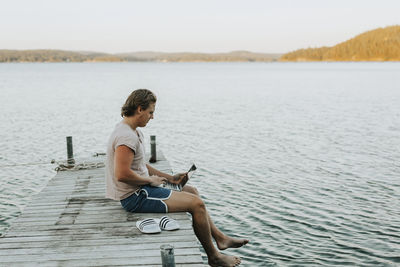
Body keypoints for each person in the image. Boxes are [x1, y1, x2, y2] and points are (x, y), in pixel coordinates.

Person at [105, 89, 249, 267]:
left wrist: (170, 178)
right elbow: (122, 174)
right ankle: (214, 256)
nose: (152, 117)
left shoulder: (131, 131)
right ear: (140, 109)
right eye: (151, 112)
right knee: (196, 204)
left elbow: (139, 165)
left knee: (192, 191)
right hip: (135, 197)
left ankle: (220, 238)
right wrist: (150, 181)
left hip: (141, 190)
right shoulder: (126, 137)